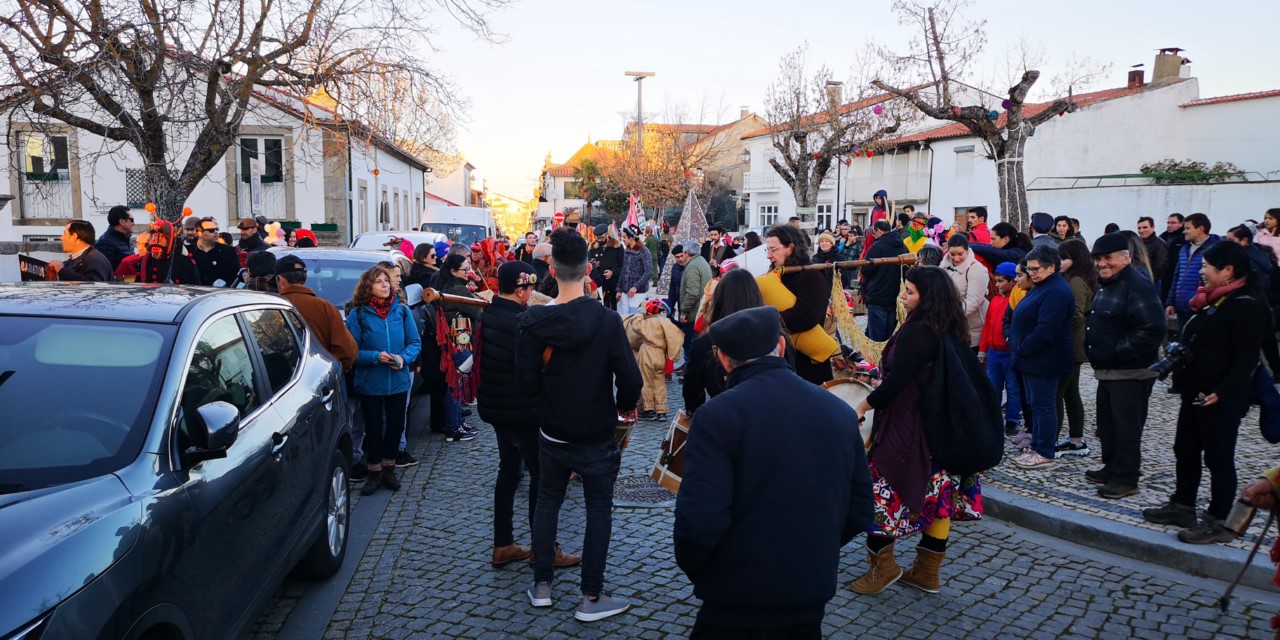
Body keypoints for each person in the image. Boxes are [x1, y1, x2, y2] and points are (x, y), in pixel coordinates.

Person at [676, 306, 873, 638]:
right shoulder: (838, 411)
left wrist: (709, 570)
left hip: (733, 597)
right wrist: (811, 548)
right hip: (808, 592)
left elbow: (699, 521)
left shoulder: (717, 416)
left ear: (724, 360)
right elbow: (860, 509)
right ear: (782, 347)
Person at [516, 227, 642, 622]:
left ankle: (542, 585)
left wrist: (547, 404)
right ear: (589, 270)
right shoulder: (605, 321)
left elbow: (525, 382)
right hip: (596, 431)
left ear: (551, 269)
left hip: (553, 430)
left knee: (548, 500)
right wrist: (621, 408)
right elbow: (632, 381)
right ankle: (590, 595)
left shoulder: (533, 321)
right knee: (598, 507)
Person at [850, 267, 983, 596]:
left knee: (881, 494)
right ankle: (927, 573)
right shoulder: (949, 326)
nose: (903, 296)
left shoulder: (918, 329)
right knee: (941, 497)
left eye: (909, 291)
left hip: (910, 426)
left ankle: (883, 569)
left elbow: (897, 383)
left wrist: (863, 406)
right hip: (941, 427)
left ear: (929, 297)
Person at [1142, 241, 1270, 543]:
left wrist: (1223, 391)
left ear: (1227, 271)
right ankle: (1183, 505)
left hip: (1221, 397)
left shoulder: (1246, 305)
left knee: (1218, 457)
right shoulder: (1215, 300)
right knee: (1185, 449)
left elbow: (1247, 358)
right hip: (1196, 392)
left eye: (1206, 266)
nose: (1201, 271)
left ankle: (1220, 519)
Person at [478, 260, 582, 569]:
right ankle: (544, 549)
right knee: (543, 479)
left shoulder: (490, 314)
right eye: (529, 288)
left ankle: (503, 543)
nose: (532, 293)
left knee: (508, 473)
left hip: (498, 410)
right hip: (523, 412)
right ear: (521, 289)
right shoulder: (523, 322)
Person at [1081, 233, 1166, 499]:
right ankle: (1112, 467)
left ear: (1125, 257)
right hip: (1108, 371)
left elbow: (1153, 328)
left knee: (1126, 427)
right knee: (1108, 425)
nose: (1102, 264)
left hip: (1130, 372)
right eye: (1098, 259)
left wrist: (1118, 351)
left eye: (1108, 258)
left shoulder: (1136, 285)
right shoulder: (1108, 283)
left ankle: (1126, 478)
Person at [345, 265, 421, 496]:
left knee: (396, 425)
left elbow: (414, 342)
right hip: (371, 381)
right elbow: (352, 351)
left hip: (397, 379)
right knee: (373, 428)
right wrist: (375, 357)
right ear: (368, 286)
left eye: (386, 281)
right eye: (379, 282)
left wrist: (403, 358)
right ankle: (374, 471)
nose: (385, 285)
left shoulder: (402, 311)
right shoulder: (358, 314)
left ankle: (389, 468)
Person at [1009, 245, 1075, 470]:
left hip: (1044, 359)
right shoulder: (1044, 285)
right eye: (1029, 269)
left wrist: (1023, 349)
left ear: (1052, 267)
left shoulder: (1056, 291)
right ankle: (1037, 446)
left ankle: (1045, 451)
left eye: (1036, 269)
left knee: (1044, 405)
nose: (1032, 273)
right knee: (1036, 405)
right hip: (1032, 359)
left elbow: (1046, 330)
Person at [683, 269, 770, 415]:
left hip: (725, 419)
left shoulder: (705, 343)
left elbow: (692, 392)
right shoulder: (774, 337)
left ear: (720, 299)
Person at [764, 224, 836, 385]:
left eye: (773, 249)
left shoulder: (811, 275)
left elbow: (807, 316)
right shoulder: (775, 275)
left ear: (790, 248)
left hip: (807, 364)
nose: (769, 256)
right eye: (767, 250)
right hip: (781, 359)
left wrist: (765, 319)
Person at [431, 253, 482, 443]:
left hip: (452, 339)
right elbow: (478, 311)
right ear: (453, 271)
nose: (469, 272)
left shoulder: (443, 283)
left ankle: (457, 422)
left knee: (455, 383)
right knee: (456, 384)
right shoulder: (457, 289)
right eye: (465, 269)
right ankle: (454, 428)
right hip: (459, 340)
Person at [275, 255, 357, 372]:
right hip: (320, 377)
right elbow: (347, 351)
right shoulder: (325, 307)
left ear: (281, 279)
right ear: (305, 278)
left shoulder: (271, 307)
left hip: (281, 381)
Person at [1055, 239, 1098, 458]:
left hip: (1070, 345)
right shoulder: (1078, 278)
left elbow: (1075, 315)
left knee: (1057, 393)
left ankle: (1050, 441)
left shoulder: (1076, 281)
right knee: (1071, 393)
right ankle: (1075, 440)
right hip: (1074, 345)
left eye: (1064, 258)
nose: (1060, 262)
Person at [980, 262, 1022, 436]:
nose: (997, 285)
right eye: (996, 281)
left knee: (1013, 388)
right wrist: (983, 349)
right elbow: (988, 326)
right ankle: (993, 417)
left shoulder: (1017, 301)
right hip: (993, 352)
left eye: (1001, 281)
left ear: (1013, 282)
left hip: (1009, 352)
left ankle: (1012, 420)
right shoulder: (995, 301)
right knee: (993, 386)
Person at [623, 299, 684, 421]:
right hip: (661, 355)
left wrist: (640, 312)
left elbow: (636, 326)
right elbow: (678, 338)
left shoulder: (651, 322)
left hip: (648, 353)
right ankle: (661, 411)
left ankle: (648, 410)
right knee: (659, 383)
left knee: (645, 382)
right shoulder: (668, 324)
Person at [1165, 213, 1220, 332]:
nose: (1184, 231)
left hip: (1201, 307)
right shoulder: (1184, 249)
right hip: (1181, 306)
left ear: (1200, 229)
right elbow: (1177, 276)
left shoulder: (1214, 250)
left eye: (1188, 228)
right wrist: (1171, 302)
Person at [861, 220, 909, 342]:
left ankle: (877, 360)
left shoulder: (878, 246)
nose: (873, 235)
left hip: (878, 295)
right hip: (896, 295)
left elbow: (866, 269)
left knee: (876, 338)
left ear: (878, 231)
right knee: (890, 336)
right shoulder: (903, 246)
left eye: (874, 232)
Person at [943, 234, 990, 348]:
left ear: (967, 251)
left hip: (972, 329)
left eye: (960, 254)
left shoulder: (977, 270)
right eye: (952, 254)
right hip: (951, 326)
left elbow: (973, 302)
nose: (956, 258)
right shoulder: (943, 267)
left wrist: (948, 314)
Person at [47, 221, 113, 282]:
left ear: (74, 237)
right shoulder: (80, 258)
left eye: (64, 234)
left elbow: (94, 286)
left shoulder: (95, 259)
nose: (61, 238)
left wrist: (62, 271)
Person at [190, 217, 241, 287]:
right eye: (211, 230)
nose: (216, 232)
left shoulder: (228, 251)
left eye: (217, 229)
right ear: (199, 233)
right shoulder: (189, 251)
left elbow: (236, 278)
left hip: (220, 294)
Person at [615, 225, 653, 316]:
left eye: (624, 237)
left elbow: (649, 272)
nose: (622, 239)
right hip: (625, 293)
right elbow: (623, 271)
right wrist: (619, 289)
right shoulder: (627, 251)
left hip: (638, 294)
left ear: (631, 238)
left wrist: (636, 287)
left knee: (635, 320)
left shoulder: (644, 251)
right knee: (623, 319)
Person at [676, 244, 713, 331]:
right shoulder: (702, 261)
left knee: (689, 342)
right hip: (701, 311)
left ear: (687, 253)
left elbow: (692, 293)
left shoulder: (692, 266)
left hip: (693, 314)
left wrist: (684, 312)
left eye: (683, 254)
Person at [95, 205, 134, 270]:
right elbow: (105, 271)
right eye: (131, 220)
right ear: (122, 221)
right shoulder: (105, 242)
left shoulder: (127, 238)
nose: (133, 223)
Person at [1137, 216, 1170, 284]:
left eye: (1145, 227)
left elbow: (1161, 266)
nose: (1141, 230)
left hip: (1151, 282)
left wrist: (1149, 280)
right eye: (1139, 228)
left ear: (1152, 227)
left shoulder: (1160, 244)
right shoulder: (1136, 242)